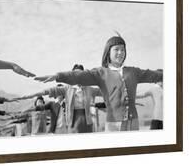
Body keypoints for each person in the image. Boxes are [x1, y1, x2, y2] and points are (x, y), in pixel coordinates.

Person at [34, 35, 163, 132]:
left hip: (134, 122)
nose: (120, 53)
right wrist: (58, 76)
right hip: (113, 124)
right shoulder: (101, 73)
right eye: (116, 49)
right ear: (108, 52)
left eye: (123, 50)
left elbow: (154, 74)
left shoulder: (133, 72)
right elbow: (78, 75)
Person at [16, 64, 102, 133]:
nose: (78, 77)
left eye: (80, 74)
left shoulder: (89, 89)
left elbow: (103, 92)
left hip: (87, 123)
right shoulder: (67, 89)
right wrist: (32, 95)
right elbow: (51, 90)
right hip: (72, 123)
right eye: (75, 74)